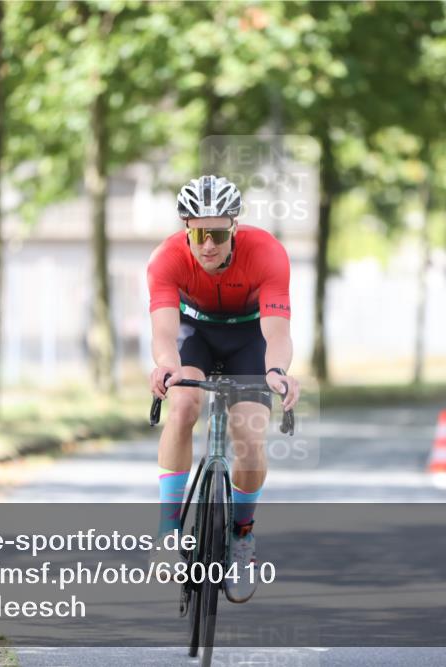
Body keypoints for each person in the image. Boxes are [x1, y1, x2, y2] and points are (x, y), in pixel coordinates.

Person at [146, 174, 300, 603]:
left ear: (234, 227)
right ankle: (168, 532)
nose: (208, 244)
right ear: (186, 230)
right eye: (198, 233)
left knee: (249, 435)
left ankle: (241, 538)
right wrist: (166, 368)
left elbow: (277, 331)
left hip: (248, 338)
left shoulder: (267, 252)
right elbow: (163, 332)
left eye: (217, 232)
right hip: (194, 334)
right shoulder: (165, 258)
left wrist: (277, 371)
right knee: (182, 406)